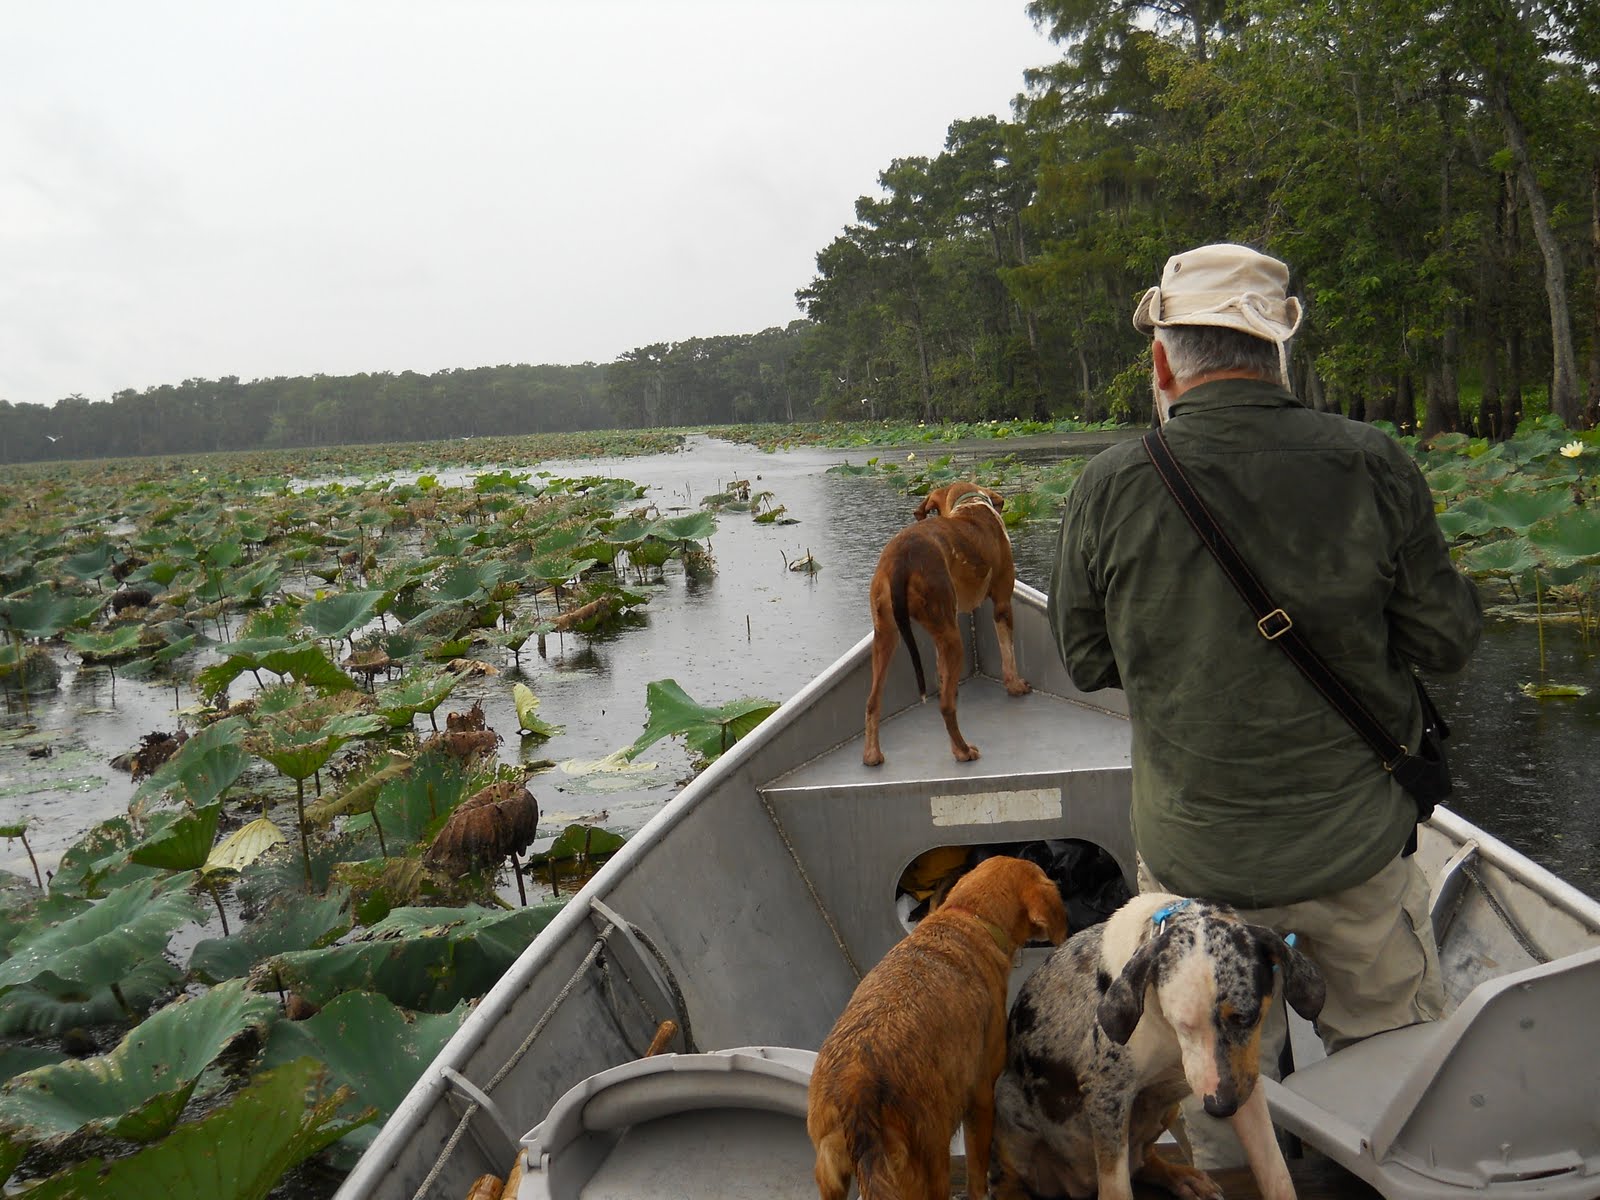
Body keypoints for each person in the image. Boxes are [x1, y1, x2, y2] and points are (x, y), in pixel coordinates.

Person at [1047, 242, 1483, 1165]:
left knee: (1217, 1083)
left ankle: (1238, 1169)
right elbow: (1447, 643)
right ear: (1279, 352)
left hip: (1196, 860)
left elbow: (1084, 660)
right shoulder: (1372, 462)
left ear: (1162, 362)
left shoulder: (1110, 484)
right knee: (1400, 1074)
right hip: (1356, 850)